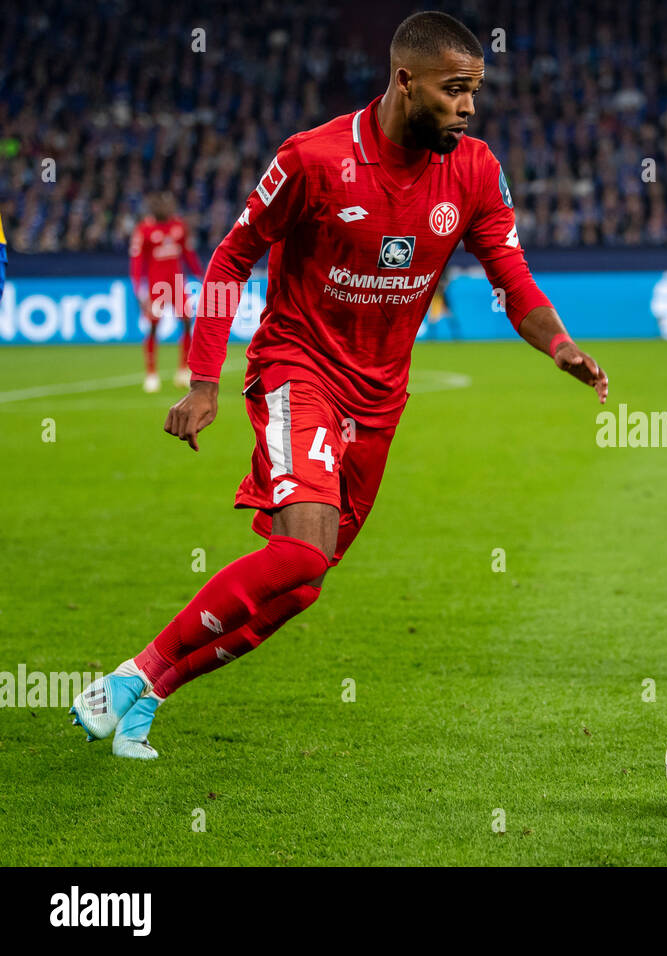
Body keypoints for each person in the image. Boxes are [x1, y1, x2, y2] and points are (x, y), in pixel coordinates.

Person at [72, 11, 608, 758]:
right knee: (299, 553)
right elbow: (230, 259)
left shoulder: (477, 170)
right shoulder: (314, 158)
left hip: (380, 400)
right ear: (404, 81)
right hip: (299, 367)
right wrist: (203, 382)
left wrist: (559, 345)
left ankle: (146, 697)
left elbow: (512, 279)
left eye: (474, 92)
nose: (469, 107)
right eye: (455, 91)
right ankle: (132, 676)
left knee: (303, 584)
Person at [129, 190, 204, 390]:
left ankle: (183, 370)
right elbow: (137, 262)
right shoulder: (144, 230)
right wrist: (138, 289)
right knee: (154, 327)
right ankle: (151, 373)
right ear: (155, 208)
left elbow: (188, 254)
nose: (168, 209)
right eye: (164, 205)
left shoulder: (179, 226)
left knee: (187, 322)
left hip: (177, 283)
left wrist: (201, 276)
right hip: (156, 287)